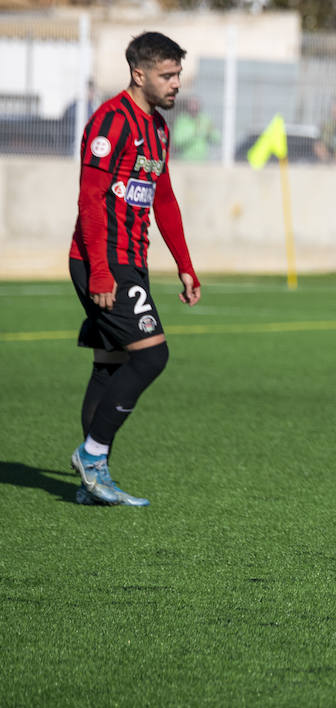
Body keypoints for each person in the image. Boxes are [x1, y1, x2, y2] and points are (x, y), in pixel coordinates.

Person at [68, 31, 202, 506]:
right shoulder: (111, 121)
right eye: (167, 75)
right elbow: (89, 198)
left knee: (111, 365)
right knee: (152, 356)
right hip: (102, 260)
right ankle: (92, 455)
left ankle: (92, 483)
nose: (175, 84)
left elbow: (162, 199)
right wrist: (102, 272)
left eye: (178, 74)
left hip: (132, 262)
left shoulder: (159, 128)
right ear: (138, 73)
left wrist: (185, 265)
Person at [169, 96, 217, 161]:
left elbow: (217, 139)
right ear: (188, 106)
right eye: (192, 105)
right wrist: (194, 133)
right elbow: (177, 141)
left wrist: (210, 131)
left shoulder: (205, 119)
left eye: (196, 104)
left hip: (203, 160)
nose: (194, 107)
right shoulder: (182, 120)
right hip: (185, 160)